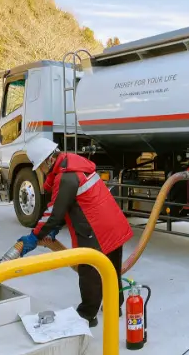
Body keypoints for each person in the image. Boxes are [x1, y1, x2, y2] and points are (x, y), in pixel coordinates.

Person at [17, 136, 133, 327]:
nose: (41, 170)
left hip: (94, 229)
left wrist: (35, 236)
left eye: (41, 166)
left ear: (49, 160)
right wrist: (52, 228)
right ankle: (115, 305)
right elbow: (67, 204)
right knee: (111, 268)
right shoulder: (74, 165)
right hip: (112, 223)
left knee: (89, 272)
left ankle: (88, 314)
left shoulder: (67, 176)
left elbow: (54, 212)